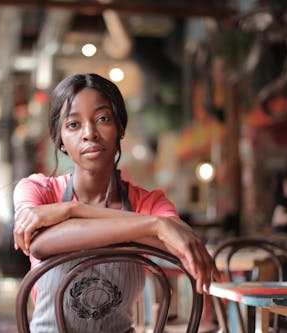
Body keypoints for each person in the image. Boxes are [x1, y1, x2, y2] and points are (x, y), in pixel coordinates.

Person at [13, 73, 218, 332]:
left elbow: (177, 248)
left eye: (102, 119)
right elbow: (41, 244)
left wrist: (69, 214)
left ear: (120, 127)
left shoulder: (150, 203)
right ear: (60, 139)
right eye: (73, 125)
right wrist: (152, 227)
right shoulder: (37, 190)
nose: (89, 133)